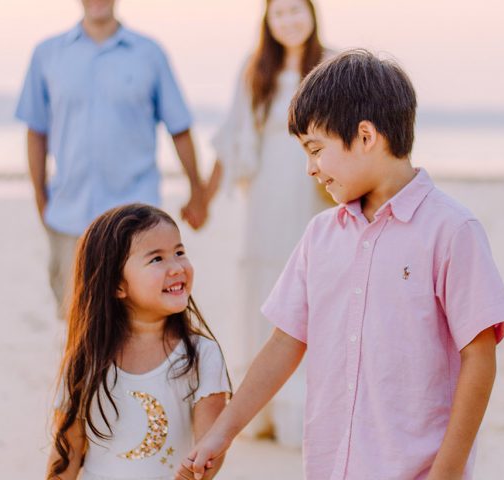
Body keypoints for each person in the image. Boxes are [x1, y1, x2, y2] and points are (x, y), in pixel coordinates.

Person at [185, 50, 504, 480]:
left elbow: (480, 357)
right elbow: (284, 344)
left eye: (316, 150)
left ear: (365, 136)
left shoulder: (452, 231)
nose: (309, 169)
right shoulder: (321, 235)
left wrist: (447, 472)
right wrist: (221, 433)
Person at [15, 0, 210, 319]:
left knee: (139, 319)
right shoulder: (47, 54)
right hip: (70, 217)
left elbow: (180, 128)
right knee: (77, 322)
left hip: (137, 220)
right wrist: (39, 194)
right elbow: (36, 131)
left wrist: (197, 193)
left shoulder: (149, 53)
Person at [204, 0, 331, 447]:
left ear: (312, 14)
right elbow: (232, 131)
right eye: (279, 13)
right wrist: (203, 193)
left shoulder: (331, 64)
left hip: (313, 190)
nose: (289, 20)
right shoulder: (254, 67)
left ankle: (303, 413)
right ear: (268, 21)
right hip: (264, 190)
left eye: (296, 10)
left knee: (312, 288)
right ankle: (263, 413)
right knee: (264, 286)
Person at [47, 204, 230, 480]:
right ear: (117, 285)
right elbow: (67, 451)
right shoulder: (87, 358)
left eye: (179, 252)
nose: (176, 267)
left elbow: (209, 453)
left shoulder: (201, 355)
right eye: (157, 259)